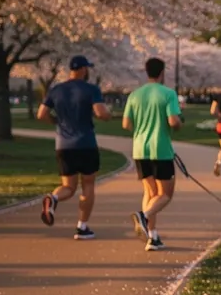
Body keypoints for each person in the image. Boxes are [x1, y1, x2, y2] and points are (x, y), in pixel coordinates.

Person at [38, 55, 112, 239]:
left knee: (68, 187)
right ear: (82, 69)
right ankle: (82, 227)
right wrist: (107, 115)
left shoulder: (56, 90)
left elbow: (41, 114)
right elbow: (101, 113)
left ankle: (53, 199)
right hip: (86, 143)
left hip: (63, 145)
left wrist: (56, 121)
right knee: (88, 185)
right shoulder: (90, 89)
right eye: (87, 68)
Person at [123, 57, 183, 250]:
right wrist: (179, 124)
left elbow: (126, 124)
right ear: (162, 72)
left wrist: (141, 129)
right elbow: (173, 121)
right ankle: (144, 216)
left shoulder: (134, 95)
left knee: (150, 192)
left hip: (140, 149)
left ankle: (152, 236)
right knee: (165, 194)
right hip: (161, 149)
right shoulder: (168, 93)